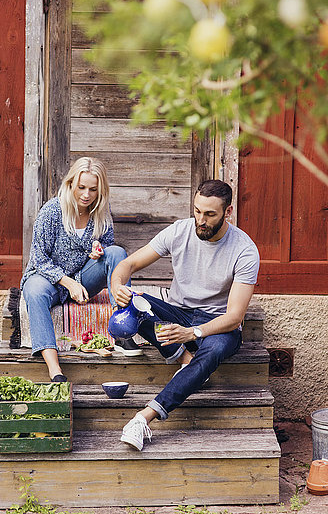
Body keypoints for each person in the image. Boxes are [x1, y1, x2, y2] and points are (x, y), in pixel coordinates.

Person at [110, 179, 260, 451]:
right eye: (197, 210)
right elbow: (128, 263)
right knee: (133, 303)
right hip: (179, 313)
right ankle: (184, 357)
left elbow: (235, 316)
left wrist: (192, 333)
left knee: (211, 354)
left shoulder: (245, 250)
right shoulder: (180, 231)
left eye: (210, 214)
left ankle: (144, 417)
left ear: (228, 212)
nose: (200, 220)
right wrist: (117, 286)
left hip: (218, 326)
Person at [21, 157, 140, 384]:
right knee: (34, 291)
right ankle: (54, 369)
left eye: (93, 189)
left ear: (100, 189)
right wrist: (68, 283)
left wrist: (99, 250)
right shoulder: (52, 211)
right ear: (71, 184)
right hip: (48, 279)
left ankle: (122, 330)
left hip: (83, 278)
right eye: (81, 187)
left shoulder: (101, 212)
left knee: (116, 253)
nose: (86, 194)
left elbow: (108, 244)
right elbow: (38, 258)